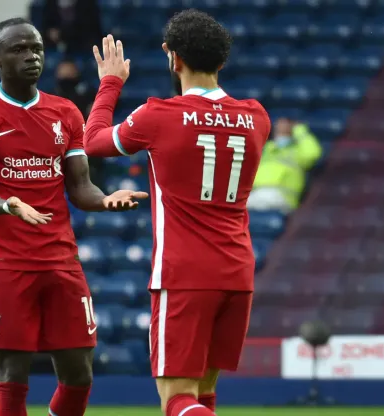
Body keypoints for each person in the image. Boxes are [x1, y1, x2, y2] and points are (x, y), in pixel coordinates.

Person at [0, 17, 147, 416]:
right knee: (12, 378)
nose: (31, 57)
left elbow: (80, 187)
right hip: (7, 262)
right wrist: (8, 205)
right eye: (19, 49)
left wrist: (106, 199)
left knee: (80, 376)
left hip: (61, 260)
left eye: (36, 49)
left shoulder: (66, 112)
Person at [83, 10, 272, 416]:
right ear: (221, 62)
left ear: (173, 58)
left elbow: (93, 140)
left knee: (176, 401)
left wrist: (110, 83)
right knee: (203, 393)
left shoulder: (159, 116)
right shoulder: (257, 117)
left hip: (185, 273)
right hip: (237, 272)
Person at [247, 118, 322, 214]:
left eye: (285, 128)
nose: (281, 130)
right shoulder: (267, 149)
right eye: (279, 128)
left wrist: (300, 130)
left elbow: (313, 153)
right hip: (257, 194)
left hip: (282, 197)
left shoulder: (297, 151)